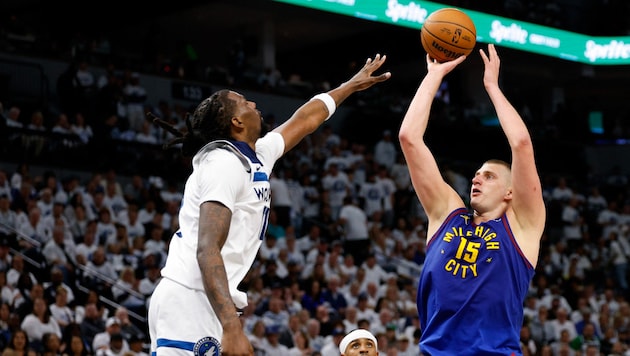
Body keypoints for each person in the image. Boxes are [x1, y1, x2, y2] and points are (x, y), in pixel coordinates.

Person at [147, 54, 390, 355]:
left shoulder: (256, 155)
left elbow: (304, 120)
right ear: (236, 122)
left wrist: (349, 86)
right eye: (244, 102)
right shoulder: (223, 163)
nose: (252, 104)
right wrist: (231, 328)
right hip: (189, 298)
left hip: (206, 301)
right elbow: (207, 247)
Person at [398, 44, 546, 355]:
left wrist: (492, 87)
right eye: (477, 174)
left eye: (489, 176)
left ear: (510, 193)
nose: (477, 178)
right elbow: (409, 138)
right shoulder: (447, 214)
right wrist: (434, 76)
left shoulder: (522, 225)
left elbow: (520, 143)